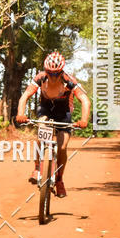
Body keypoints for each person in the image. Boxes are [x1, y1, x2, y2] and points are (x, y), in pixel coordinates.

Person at [15, 51, 90, 197]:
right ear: (46, 71)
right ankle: (37, 168)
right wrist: (20, 114)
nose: (53, 77)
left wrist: (84, 120)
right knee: (42, 130)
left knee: (62, 147)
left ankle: (59, 180)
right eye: (50, 73)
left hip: (64, 113)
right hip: (46, 110)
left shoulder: (69, 80)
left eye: (56, 73)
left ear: (61, 72)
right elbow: (24, 96)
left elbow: (85, 100)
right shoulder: (40, 78)